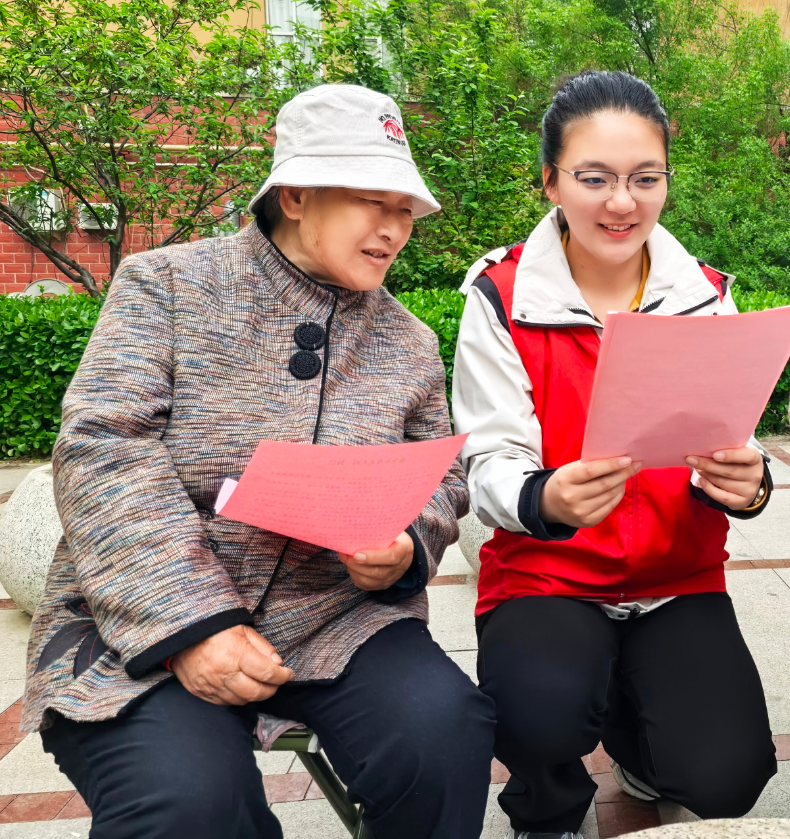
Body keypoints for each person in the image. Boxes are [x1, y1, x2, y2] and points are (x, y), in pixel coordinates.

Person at [22, 84, 496, 839]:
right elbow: (104, 450)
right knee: (191, 806)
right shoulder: (166, 286)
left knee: (445, 735)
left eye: (406, 209)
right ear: (296, 195)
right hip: (142, 621)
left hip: (334, 618)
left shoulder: (407, 340)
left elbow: (439, 476)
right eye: (373, 202)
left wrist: (408, 545)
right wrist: (193, 627)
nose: (394, 229)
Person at [452, 70, 779, 839]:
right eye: (594, 178)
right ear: (550, 181)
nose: (622, 203)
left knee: (728, 778)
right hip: (548, 575)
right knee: (537, 717)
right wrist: (545, 498)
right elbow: (489, 458)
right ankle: (548, 808)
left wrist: (748, 480)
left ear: (666, 181)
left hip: (676, 577)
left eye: (645, 178)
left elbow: (731, 437)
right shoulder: (500, 297)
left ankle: (639, 745)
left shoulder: (704, 295)